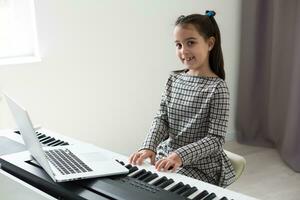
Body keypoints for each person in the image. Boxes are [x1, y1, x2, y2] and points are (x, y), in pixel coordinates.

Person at [129, 10, 235, 187]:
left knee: (163, 188)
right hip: (167, 156)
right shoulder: (174, 79)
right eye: (178, 45)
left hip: (200, 165)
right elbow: (162, 119)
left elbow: (215, 139)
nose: (183, 51)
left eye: (190, 43)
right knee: (136, 181)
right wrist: (149, 146)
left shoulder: (218, 88)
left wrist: (180, 156)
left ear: (210, 43)